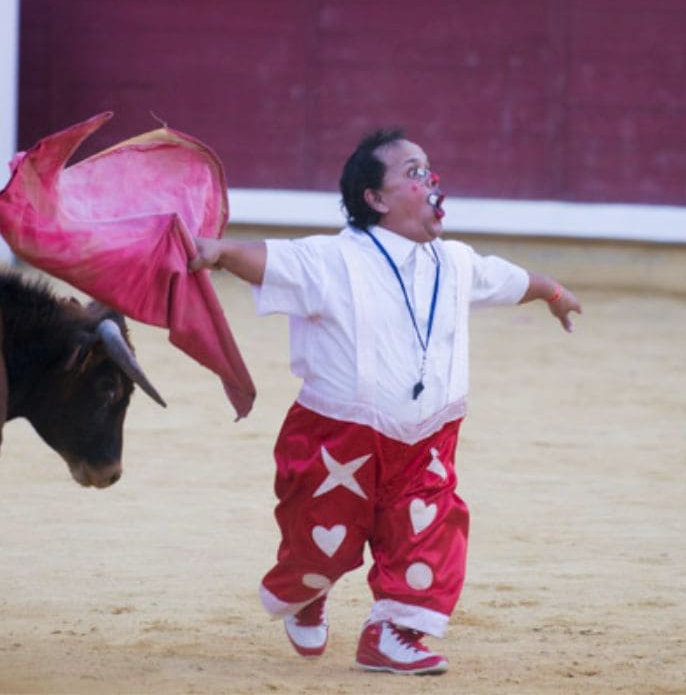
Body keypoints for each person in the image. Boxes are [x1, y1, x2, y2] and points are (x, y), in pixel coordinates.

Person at [189, 128, 581, 675]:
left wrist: (555, 293)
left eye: (428, 168)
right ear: (375, 199)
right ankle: (306, 593)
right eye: (413, 172)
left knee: (430, 532)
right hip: (336, 440)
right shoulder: (333, 258)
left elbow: (515, 280)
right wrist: (217, 251)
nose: (431, 179)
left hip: (428, 441)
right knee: (317, 543)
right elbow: (266, 260)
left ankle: (393, 634)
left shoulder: (456, 262)